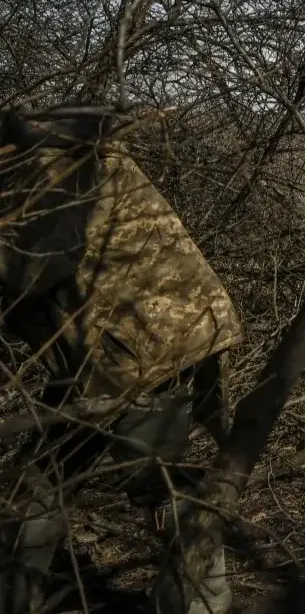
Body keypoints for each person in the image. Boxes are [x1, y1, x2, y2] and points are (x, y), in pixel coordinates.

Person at [0, 105, 242, 613]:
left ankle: (202, 603)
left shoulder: (46, 162)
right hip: (132, 342)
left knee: (160, 487)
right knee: (38, 486)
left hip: (141, 350)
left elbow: (38, 267)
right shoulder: (52, 147)